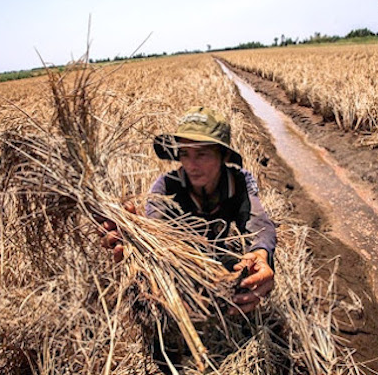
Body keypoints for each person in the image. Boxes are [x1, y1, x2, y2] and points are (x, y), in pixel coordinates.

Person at [101, 106, 276, 315]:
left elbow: (258, 221)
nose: (192, 165)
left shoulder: (238, 181)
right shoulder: (166, 187)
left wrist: (260, 253)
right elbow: (157, 226)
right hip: (185, 253)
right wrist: (137, 235)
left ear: (223, 155)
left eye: (202, 154)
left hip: (220, 248)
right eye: (184, 153)